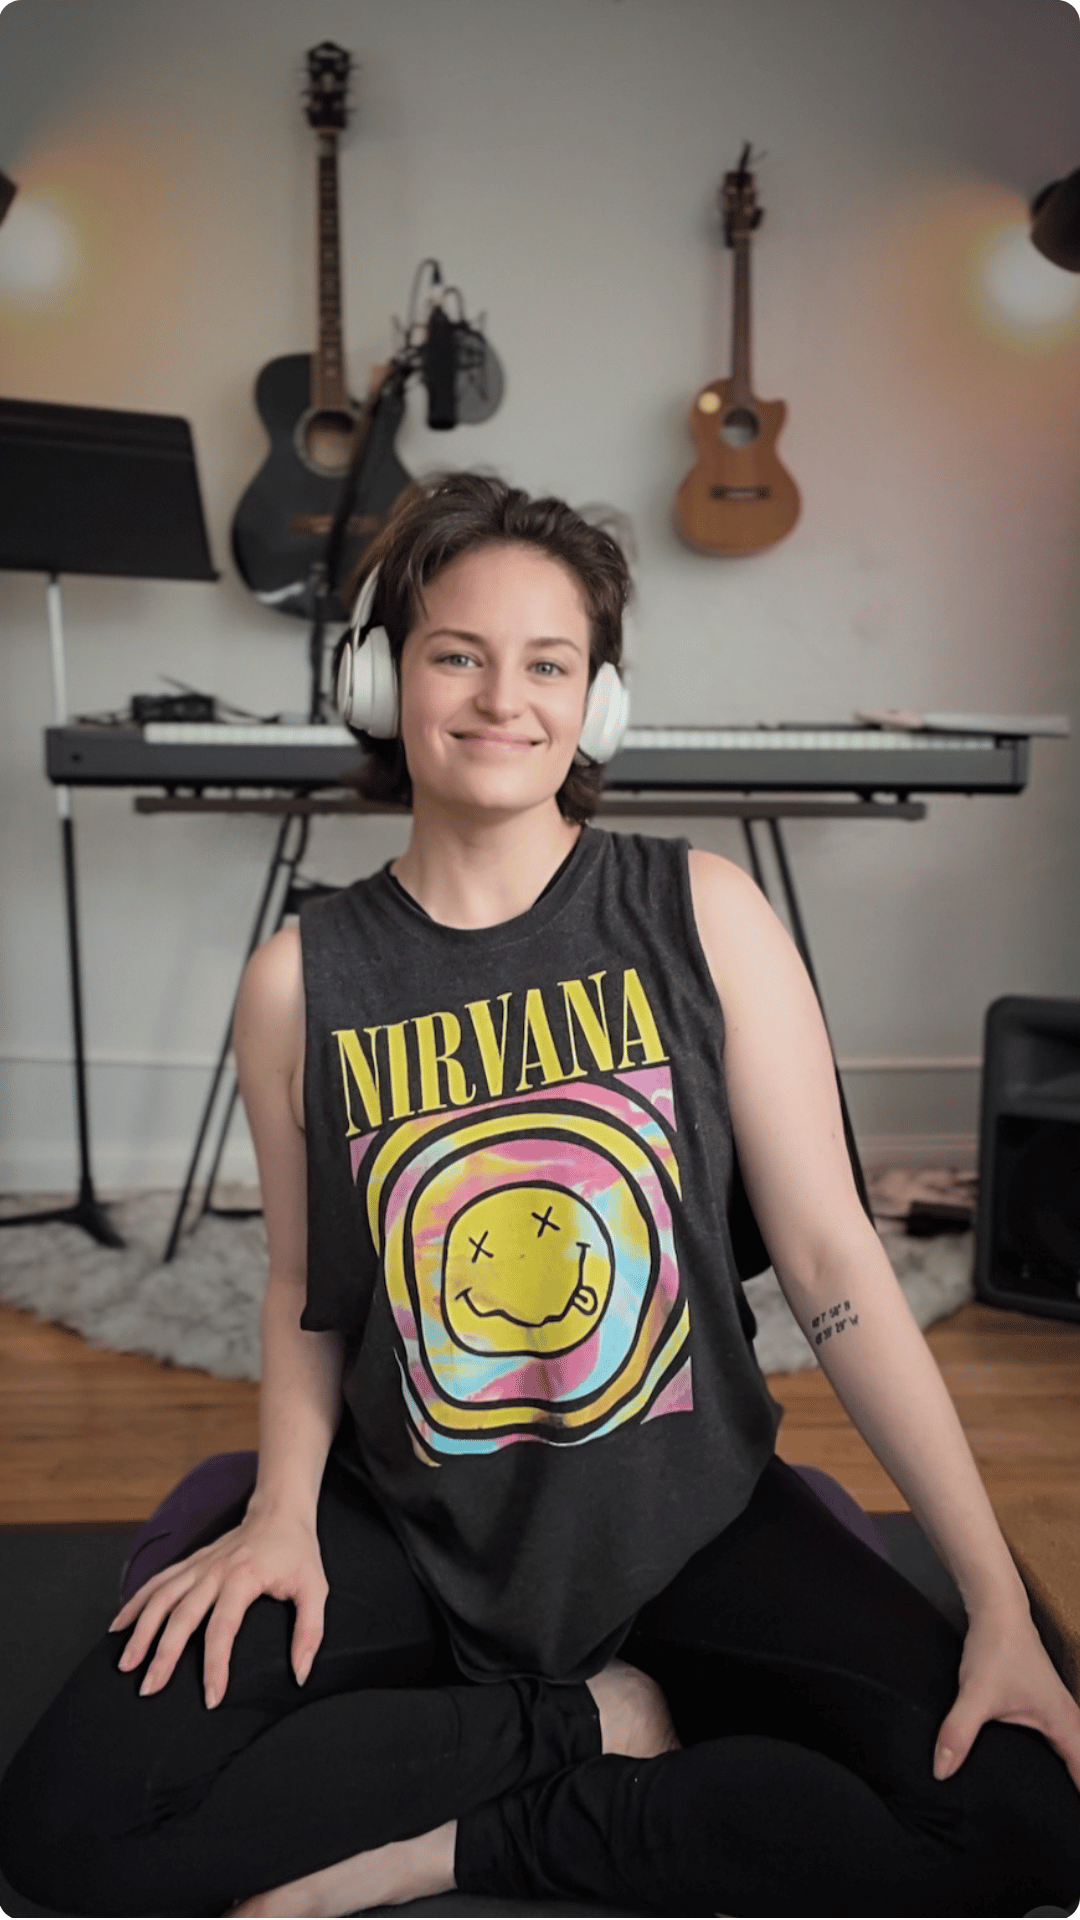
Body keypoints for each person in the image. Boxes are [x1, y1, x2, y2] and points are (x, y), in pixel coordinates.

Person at [2, 471, 1079, 1920]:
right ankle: (589, 1726)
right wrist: (278, 1517)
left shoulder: (702, 915)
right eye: (458, 653)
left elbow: (834, 1264)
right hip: (417, 1529)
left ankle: (471, 1841)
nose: (502, 697)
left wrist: (996, 1604)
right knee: (72, 1828)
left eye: (549, 662)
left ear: (597, 704)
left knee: (1022, 1821)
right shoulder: (300, 983)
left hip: (684, 1526)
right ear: (388, 681)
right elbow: (303, 1293)